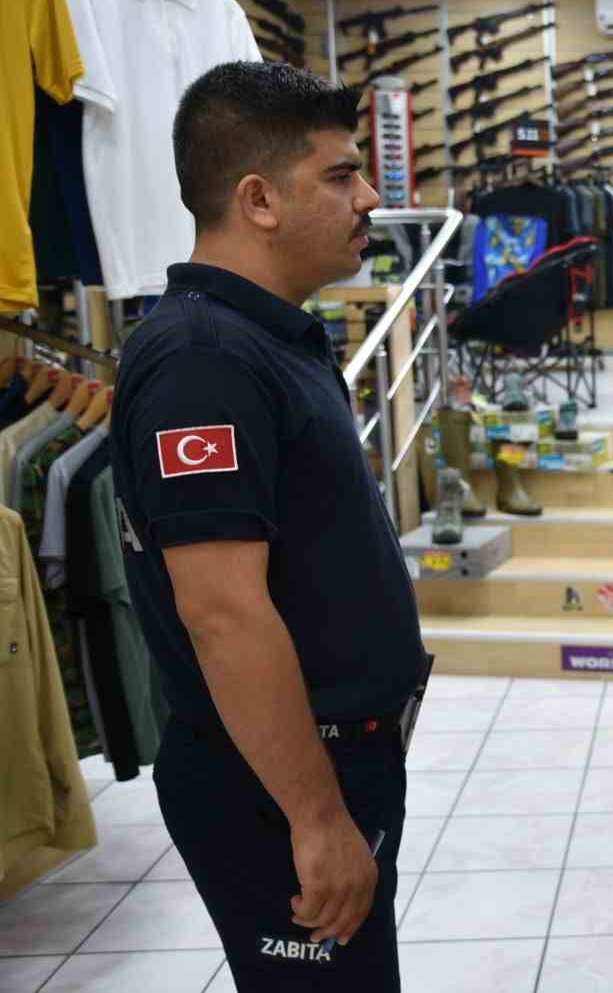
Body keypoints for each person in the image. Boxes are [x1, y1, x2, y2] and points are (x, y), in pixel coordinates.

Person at [111, 62, 424, 992]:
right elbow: (222, 611)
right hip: (278, 782)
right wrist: (317, 818)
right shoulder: (204, 360)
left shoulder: (264, 335)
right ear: (258, 199)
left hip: (327, 764)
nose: (369, 196)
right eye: (340, 175)